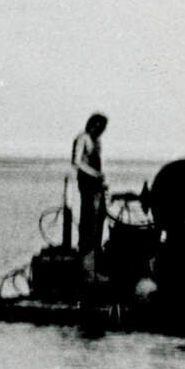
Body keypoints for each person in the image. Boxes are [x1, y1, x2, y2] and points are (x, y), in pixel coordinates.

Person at [71, 112, 108, 263]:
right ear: (93, 125)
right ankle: (86, 248)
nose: (101, 131)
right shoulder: (82, 138)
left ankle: (96, 247)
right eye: (100, 127)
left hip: (96, 184)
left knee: (100, 215)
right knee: (88, 215)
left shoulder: (97, 141)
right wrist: (94, 174)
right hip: (87, 183)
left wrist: (101, 179)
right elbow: (77, 162)